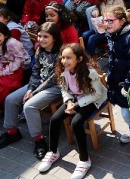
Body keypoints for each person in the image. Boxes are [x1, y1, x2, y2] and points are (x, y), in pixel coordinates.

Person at [0, 22, 62, 157]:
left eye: (46, 36)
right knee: (10, 99)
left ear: (55, 37)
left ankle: (39, 140)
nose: (41, 39)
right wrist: (30, 89)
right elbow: (35, 72)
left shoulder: (61, 54)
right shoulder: (40, 50)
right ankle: (12, 132)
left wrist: (33, 93)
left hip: (55, 87)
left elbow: (54, 78)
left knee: (29, 106)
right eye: (39, 36)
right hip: (37, 84)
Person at [37, 44, 106, 179]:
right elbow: (64, 89)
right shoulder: (64, 71)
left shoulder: (89, 72)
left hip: (92, 99)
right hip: (75, 98)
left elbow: (97, 94)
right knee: (55, 119)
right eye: (63, 57)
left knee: (76, 123)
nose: (64, 61)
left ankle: (84, 159)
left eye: (68, 58)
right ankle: (53, 151)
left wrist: (76, 104)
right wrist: (69, 102)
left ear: (79, 59)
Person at [103, 6, 130, 155]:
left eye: (111, 20)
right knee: (127, 113)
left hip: (128, 84)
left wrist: (128, 84)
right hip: (118, 80)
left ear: (122, 21)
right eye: (105, 20)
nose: (107, 23)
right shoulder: (114, 34)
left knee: (129, 114)